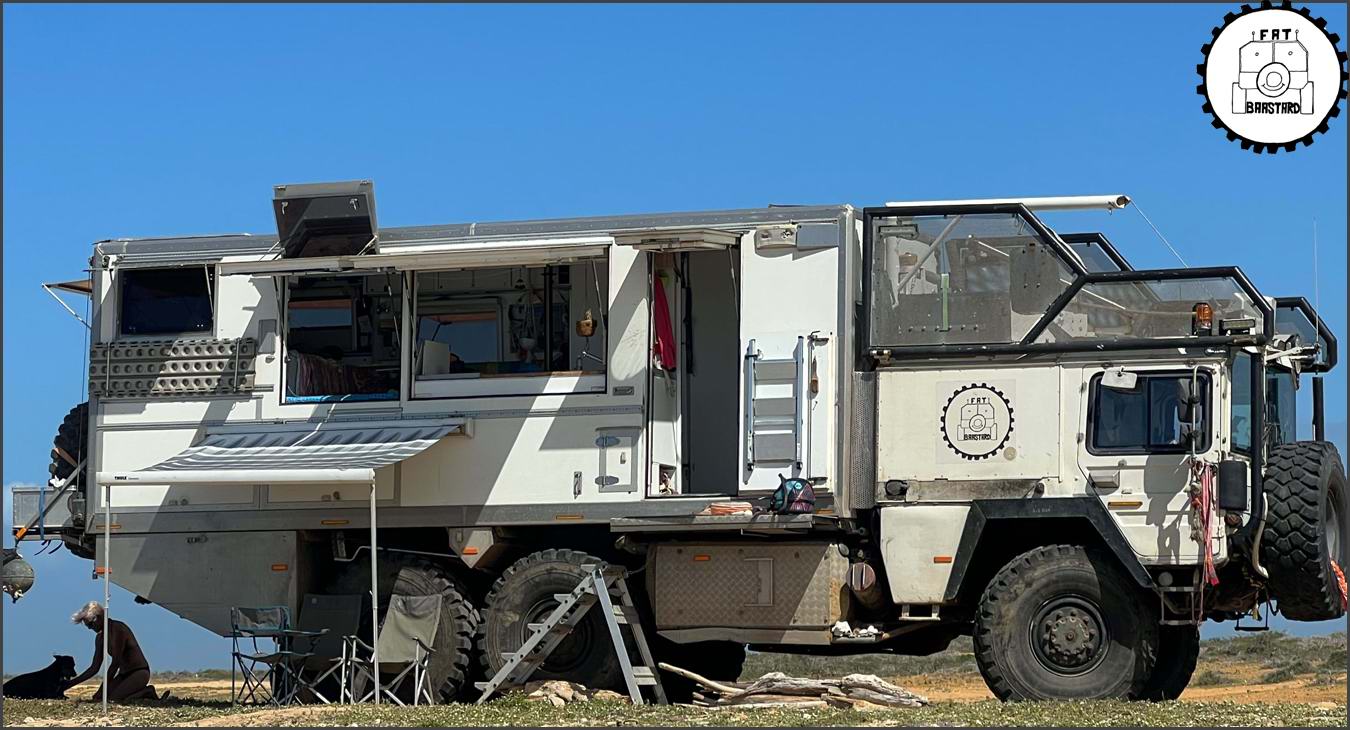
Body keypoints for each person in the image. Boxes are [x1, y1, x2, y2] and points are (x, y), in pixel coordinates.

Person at [65, 601, 162, 702]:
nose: (90, 628)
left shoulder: (118, 629)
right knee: (98, 699)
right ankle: (138, 693)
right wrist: (70, 683)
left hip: (139, 672)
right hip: (123, 674)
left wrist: (102, 689)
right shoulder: (100, 638)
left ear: (98, 618)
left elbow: (116, 663)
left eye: (90, 624)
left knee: (114, 700)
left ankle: (147, 691)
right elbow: (94, 668)